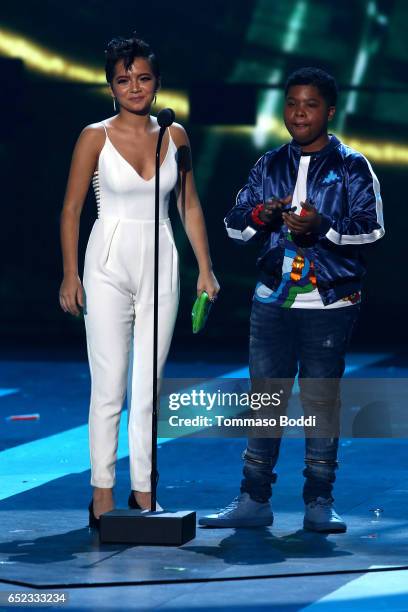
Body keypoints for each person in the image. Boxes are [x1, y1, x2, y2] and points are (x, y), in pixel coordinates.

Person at [200, 67, 384, 532]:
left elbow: (373, 230)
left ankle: (319, 501)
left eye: (311, 105)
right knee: (265, 397)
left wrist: (323, 227)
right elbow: (235, 226)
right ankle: (253, 498)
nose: (299, 113)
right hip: (271, 301)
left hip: (330, 301)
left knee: (322, 400)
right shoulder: (268, 164)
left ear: (330, 111)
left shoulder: (352, 166)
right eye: (292, 104)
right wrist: (262, 214)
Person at [59, 34, 219, 527]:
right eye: (124, 79)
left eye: (143, 78)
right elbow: (71, 209)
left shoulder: (176, 135)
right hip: (107, 260)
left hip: (163, 258)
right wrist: (70, 275)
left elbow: (188, 205)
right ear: (111, 85)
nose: (135, 87)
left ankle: (145, 492)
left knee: (149, 386)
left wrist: (206, 268)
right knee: (108, 385)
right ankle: (102, 494)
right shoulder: (94, 135)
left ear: (157, 82)